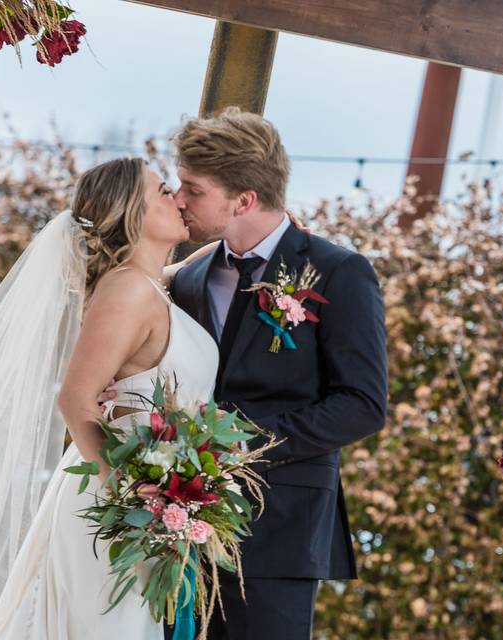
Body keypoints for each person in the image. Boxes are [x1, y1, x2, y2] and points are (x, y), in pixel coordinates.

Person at [0, 157, 218, 639]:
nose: (178, 198)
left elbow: (172, 275)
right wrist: (134, 496)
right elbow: (75, 400)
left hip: (143, 498)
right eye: (163, 190)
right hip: (118, 501)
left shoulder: (146, 288)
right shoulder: (126, 292)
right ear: (132, 214)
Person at [166, 107, 388, 639]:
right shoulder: (187, 276)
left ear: (243, 200)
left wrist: (239, 447)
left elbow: (362, 404)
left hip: (280, 527)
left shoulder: (338, 271)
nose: (178, 199)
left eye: (192, 189)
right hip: (173, 521)